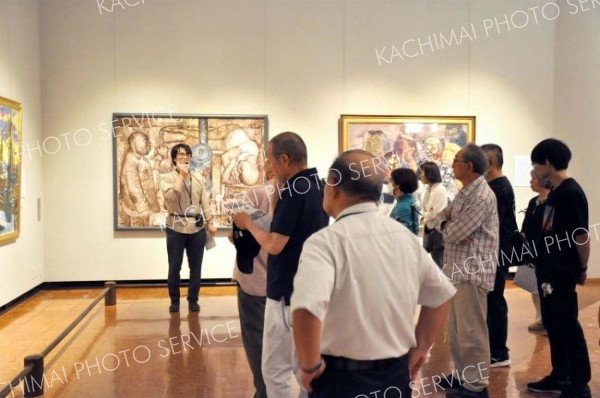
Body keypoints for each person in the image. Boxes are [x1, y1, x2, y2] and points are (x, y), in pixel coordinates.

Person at [291, 149, 456, 398]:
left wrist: (309, 364)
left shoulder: (324, 242)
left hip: (340, 380)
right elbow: (441, 295)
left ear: (333, 187)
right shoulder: (405, 239)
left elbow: (306, 309)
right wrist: (421, 348)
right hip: (395, 376)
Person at [233, 132, 329, 398]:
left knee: (275, 370)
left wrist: (248, 224)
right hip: (306, 286)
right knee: (303, 365)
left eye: (270, 160)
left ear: (284, 159)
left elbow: (275, 244)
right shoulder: (317, 185)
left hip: (286, 291)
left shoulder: (295, 190)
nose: (269, 167)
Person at [526, 139, 591, 398]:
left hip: (562, 271)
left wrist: (582, 267)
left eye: (536, 163)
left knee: (567, 325)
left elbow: (581, 236)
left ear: (547, 163)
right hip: (547, 270)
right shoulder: (555, 193)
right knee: (553, 324)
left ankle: (579, 383)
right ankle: (560, 375)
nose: (534, 170)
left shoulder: (571, 193)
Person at [434, 144, 499, 398]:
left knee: (472, 332)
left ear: (469, 166)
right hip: (457, 270)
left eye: (456, 160)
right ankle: (463, 375)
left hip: (472, 272)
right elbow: (439, 218)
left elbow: (454, 232)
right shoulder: (465, 193)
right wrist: (446, 223)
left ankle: (476, 385)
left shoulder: (481, 196)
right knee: (457, 331)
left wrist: (448, 226)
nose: (452, 165)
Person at [229, 165, 278, 398]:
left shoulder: (258, 194)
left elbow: (239, 237)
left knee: (257, 340)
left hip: (255, 278)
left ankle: (265, 392)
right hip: (287, 283)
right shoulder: (304, 195)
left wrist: (242, 227)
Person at [160, 143, 217, 313]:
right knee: (174, 267)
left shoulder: (198, 177)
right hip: (175, 227)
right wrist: (181, 177)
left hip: (196, 228)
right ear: (173, 159)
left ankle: (193, 299)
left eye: (188, 155)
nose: (185, 158)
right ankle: (174, 301)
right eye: (181, 155)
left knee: (196, 267)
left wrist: (210, 221)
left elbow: (204, 201)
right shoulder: (167, 178)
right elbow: (170, 198)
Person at [481, 144, 518, 368]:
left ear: (491, 163)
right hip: (496, 251)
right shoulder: (497, 186)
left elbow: (490, 224)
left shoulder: (497, 188)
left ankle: (499, 352)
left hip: (496, 252)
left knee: (494, 301)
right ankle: (494, 348)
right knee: (491, 300)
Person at [520, 170, 551, 331]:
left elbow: (547, 229)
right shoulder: (534, 202)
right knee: (532, 285)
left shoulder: (550, 203)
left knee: (545, 287)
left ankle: (548, 320)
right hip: (530, 249)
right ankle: (540, 317)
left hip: (543, 251)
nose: (531, 181)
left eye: (533, 178)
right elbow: (527, 224)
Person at [119, 131, 161, 227]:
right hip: (138, 211)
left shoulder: (141, 158)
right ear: (133, 145)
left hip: (148, 208)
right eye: (145, 141)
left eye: (149, 141)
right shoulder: (130, 162)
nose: (149, 144)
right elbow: (134, 191)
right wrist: (147, 211)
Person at [419, 161, 447, 267]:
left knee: (440, 261)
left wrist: (424, 216)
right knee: (435, 259)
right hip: (430, 228)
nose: (421, 175)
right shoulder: (427, 189)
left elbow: (436, 212)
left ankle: (445, 283)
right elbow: (427, 210)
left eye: (423, 173)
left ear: (430, 174)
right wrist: (426, 215)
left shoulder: (439, 190)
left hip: (438, 229)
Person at [389, 168, 420, 235]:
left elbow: (397, 233)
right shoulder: (408, 199)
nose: (390, 183)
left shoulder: (403, 207)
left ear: (398, 185)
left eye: (392, 180)